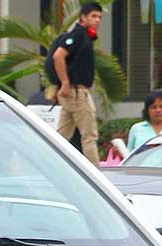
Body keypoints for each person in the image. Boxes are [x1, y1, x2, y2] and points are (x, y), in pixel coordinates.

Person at [47, 2, 104, 162]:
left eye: (99, 17)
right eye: (93, 16)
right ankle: (97, 174)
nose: (97, 20)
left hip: (72, 93)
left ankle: (51, 165)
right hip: (76, 92)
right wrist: (65, 83)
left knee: (62, 137)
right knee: (89, 136)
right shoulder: (78, 35)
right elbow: (58, 56)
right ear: (83, 18)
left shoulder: (84, 37)